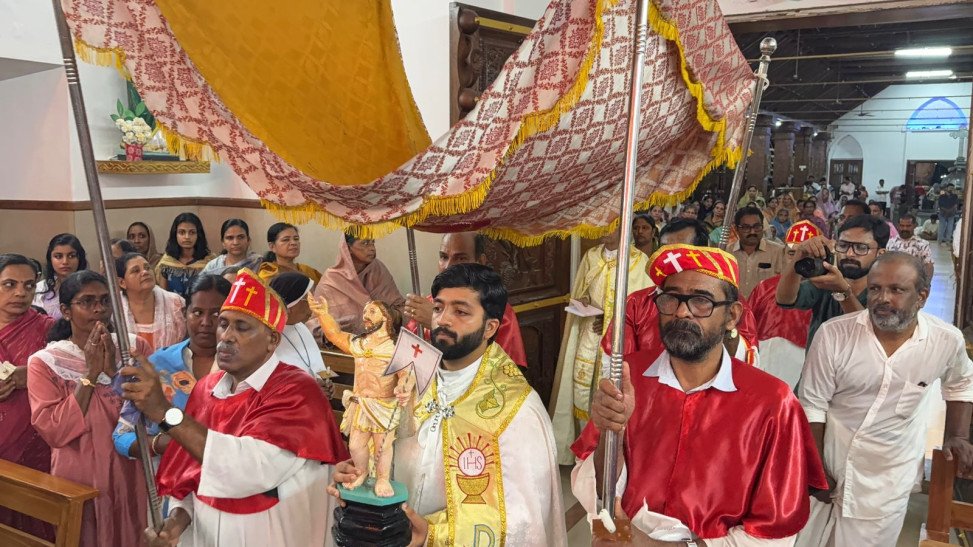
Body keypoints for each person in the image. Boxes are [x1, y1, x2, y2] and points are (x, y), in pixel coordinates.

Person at [574, 244, 826, 545]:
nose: (682, 312)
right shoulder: (629, 378)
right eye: (671, 298)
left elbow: (772, 532)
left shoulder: (772, 402)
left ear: (732, 315)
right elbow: (596, 486)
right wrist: (611, 432)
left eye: (701, 301)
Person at [330, 263, 567, 545]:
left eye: (461, 312)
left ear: (490, 327)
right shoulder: (410, 375)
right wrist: (360, 474)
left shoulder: (517, 409)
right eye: (438, 308)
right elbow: (384, 445)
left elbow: (521, 520)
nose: (442, 320)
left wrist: (432, 535)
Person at [127, 269, 348, 546]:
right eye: (224, 324)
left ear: (272, 340)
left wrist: (164, 411)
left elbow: (245, 469)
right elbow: (190, 470)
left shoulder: (297, 391)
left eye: (242, 327)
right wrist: (177, 522)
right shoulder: (206, 389)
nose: (226, 337)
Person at [796, 252, 973, 546]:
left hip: (887, 478)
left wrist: (958, 435)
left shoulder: (944, 340)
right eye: (875, 289)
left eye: (896, 290)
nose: (882, 299)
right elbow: (813, 404)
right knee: (805, 538)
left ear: (922, 297)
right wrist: (815, 469)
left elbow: (962, 383)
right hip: (830, 460)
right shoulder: (834, 335)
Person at [27, 271, 149, 546]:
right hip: (79, 471)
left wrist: (114, 372)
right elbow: (55, 431)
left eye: (105, 301)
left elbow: (150, 408)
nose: (99, 309)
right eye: (87, 301)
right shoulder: (45, 362)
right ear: (66, 311)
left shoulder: (133, 348)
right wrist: (90, 375)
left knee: (133, 528)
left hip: (130, 465)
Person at [598, 218, 760, 369]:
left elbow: (747, 362)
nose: (673, 261)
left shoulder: (729, 304)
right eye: (665, 251)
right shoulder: (636, 303)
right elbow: (616, 362)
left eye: (682, 252)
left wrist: (726, 332)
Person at [551, 227, 651, 464]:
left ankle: (607, 453)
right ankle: (582, 452)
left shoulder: (638, 261)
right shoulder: (592, 255)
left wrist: (609, 320)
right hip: (589, 333)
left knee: (612, 391)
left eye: (610, 226)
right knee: (581, 389)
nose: (603, 231)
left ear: (622, 226)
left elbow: (642, 307)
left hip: (619, 339)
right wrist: (584, 300)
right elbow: (582, 289)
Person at [113, 274, 230, 464]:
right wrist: (161, 443)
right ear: (184, 313)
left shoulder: (241, 367)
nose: (206, 322)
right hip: (170, 476)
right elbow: (122, 436)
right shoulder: (158, 365)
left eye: (216, 314)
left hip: (226, 473)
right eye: (197, 312)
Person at [310, 295, 409, 497]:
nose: (366, 315)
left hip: (383, 405)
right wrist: (322, 314)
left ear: (386, 318)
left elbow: (406, 374)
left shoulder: (394, 348)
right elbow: (335, 334)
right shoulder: (359, 343)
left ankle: (382, 479)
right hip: (361, 404)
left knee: (383, 445)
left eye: (372, 311)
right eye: (365, 311)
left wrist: (402, 387)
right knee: (355, 445)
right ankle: (361, 472)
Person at [402, 231, 528, 367]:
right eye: (444, 257)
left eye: (460, 258)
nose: (448, 266)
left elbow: (505, 370)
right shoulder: (427, 304)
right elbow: (405, 361)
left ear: (480, 262)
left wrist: (435, 323)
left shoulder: (500, 311)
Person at [0, 255, 55, 539]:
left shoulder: (48, 329)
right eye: (10, 284)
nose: (21, 292)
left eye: (29, 285)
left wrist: (34, 375)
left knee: (33, 524)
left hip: (35, 444)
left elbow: (77, 376)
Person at [776, 214, 889, 345]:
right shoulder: (826, 281)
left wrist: (842, 292)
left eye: (861, 248)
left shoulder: (888, 292)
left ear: (881, 254)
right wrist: (800, 254)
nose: (849, 254)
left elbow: (866, 335)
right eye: (843, 245)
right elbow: (784, 299)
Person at [313, 234, 404, 333]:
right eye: (365, 243)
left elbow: (399, 306)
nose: (372, 248)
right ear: (348, 248)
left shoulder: (378, 269)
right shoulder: (331, 280)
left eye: (373, 242)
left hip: (384, 337)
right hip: (345, 340)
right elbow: (317, 325)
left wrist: (391, 315)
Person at [268, 272, 334, 388]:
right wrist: (310, 389)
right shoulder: (267, 336)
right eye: (308, 300)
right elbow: (271, 384)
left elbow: (318, 366)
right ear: (290, 305)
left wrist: (327, 382)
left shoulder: (302, 328)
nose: (312, 307)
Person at [117, 252, 186, 352]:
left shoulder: (176, 304)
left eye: (147, 267)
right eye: (136, 271)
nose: (145, 272)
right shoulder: (114, 310)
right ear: (122, 282)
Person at [155, 212, 215, 299]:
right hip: (172, 305)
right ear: (175, 235)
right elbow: (163, 294)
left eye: (192, 232)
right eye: (182, 232)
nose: (187, 237)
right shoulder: (166, 262)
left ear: (198, 235)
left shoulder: (210, 261)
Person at [729, 206, 785, 298]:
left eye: (757, 227)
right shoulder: (727, 252)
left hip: (766, 306)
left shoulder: (778, 251)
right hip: (735, 305)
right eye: (746, 227)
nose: (752, 232)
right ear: (736, 229)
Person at [34, 233, 88, 319]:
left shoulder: (91, 286)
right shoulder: (39, 288)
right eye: (58, 256)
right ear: (50, 259)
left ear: (79, 258)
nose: (65, 261)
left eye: (71, 256)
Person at [256, 222, 322, 284]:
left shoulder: (307, 270)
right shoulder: (268, 274)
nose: (294, 243)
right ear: (272, 246)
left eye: (296, 239)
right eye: (286, 240)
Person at [886, 213, 933, 279]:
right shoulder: (890, 243)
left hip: (915, 280)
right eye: (902, 226)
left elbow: (928, 265)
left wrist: (927, 283)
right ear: (898, 226)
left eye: (908, 226)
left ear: (914, 226)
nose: (905, 228)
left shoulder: (923, 244)